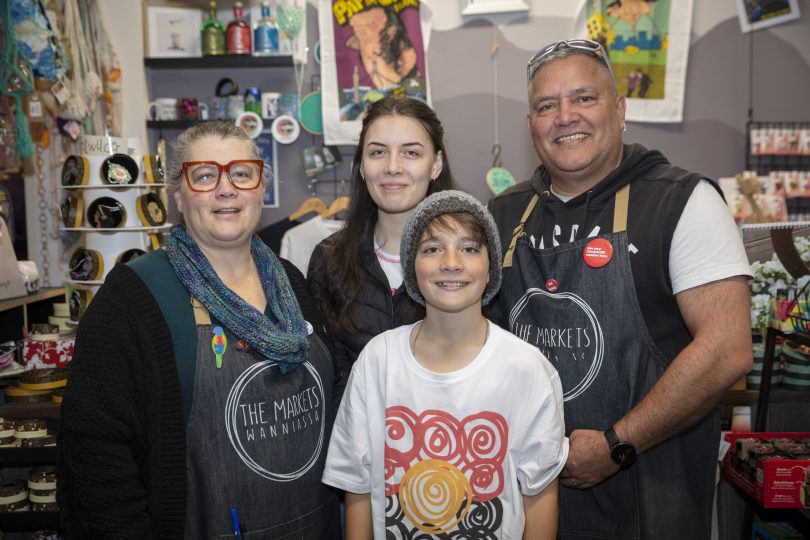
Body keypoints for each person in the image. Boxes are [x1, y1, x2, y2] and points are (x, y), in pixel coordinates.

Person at [488, 39, 753, 539]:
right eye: (547, 106)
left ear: (619, 109)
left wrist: (616, 444)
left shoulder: (682, 201)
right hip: (527, 499)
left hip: (651, 490)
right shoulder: (502, 214)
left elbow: (727, 350)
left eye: (584, 98)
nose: (566, 116)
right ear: (531, 126)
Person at [57, 121, 340, 538]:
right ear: (178, 196)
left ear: (261, 187)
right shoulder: (133, 298)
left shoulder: (293, 282)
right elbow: (95, 456)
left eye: (241, 173)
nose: (226, 189)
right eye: (205, 175)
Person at [323, 190, 567, 538]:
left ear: (490, 267)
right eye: (432, 249)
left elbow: (540, 495)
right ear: (413, 268)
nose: (451, 262)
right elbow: (357, 488)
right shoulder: (378, 360)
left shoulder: (526, 369)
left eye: (469, 248)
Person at [308, 95, 454, 395]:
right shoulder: (329, 260)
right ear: (361, 166)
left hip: (445, 434)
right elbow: (323, 379)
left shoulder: (465, 261)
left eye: (411, 153)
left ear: (436, 164)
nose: (392, 167)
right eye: (378, 152)